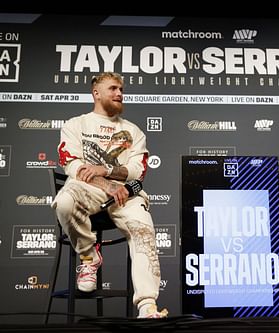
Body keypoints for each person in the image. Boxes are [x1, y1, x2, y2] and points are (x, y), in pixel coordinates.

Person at [52, 72, 168, 319]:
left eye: (121, 90)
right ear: (96, 93)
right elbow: (74, 166)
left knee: (143, 230)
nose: (119, 94)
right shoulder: (76, 125)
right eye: (113, 89)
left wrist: (106, 170)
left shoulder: (132, 131)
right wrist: (108, 185)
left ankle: (147, 306)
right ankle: (89, 256)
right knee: (63, 201)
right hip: (89, 189)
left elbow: (138, 171)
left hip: (126, 195)